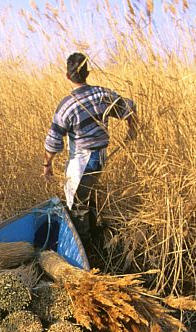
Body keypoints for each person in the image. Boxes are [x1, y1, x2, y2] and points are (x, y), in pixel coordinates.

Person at [43, 52, 137, 258]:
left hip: (83, 161)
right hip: (100, 157)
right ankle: (96, 240)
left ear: (67, 76)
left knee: (77, 207)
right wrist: (132, 128)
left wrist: (47, 164)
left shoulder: (67, 106)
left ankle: (86, 255)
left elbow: (53, 140)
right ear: (88, 73)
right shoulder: (102, 95)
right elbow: (128, 106)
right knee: (88, 198)